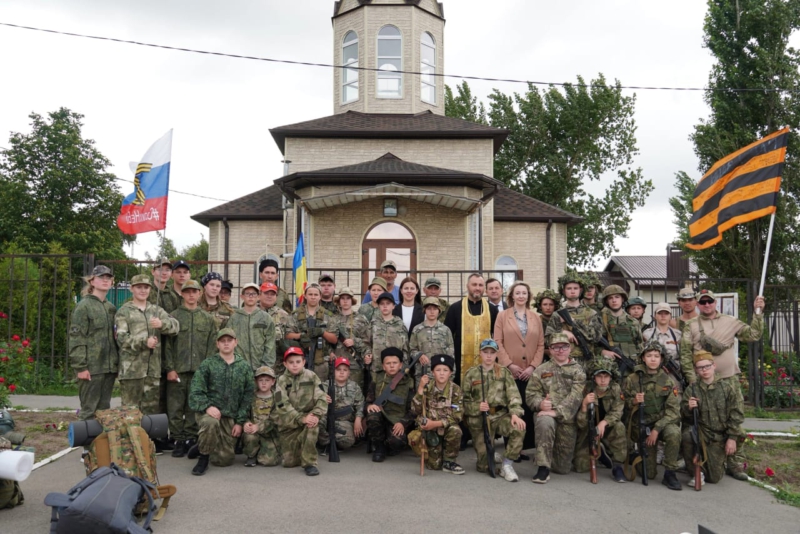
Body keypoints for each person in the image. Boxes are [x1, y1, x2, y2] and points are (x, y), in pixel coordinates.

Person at [679, 289, 764, 481]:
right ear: (698, 305)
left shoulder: (730, 321)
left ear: (715, 303)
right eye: (703, 302)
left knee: (734, 419)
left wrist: (758, 313)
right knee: (701, 421)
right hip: (701, 382)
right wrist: (692, 379)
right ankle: (697, 459)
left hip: (728, 379)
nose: (707, 305)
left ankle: (735, 463)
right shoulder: (691, 326)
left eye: (710, 301)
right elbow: (685, 353)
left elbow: (753, 335)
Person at [187, 328, 255, 476]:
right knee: (211, 423)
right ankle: (203, 458)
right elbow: (195, 391)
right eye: (222, 341)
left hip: (230, 416)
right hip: (210, 414)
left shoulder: (244, 366)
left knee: (224, 460)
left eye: (229, 341)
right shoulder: (208, 364)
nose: (226, 344)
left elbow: (248, 396)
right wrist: (207, 406)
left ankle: (200, 446)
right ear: (217, 344)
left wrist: (239, 421)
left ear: (235, 343)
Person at [165, 280, 219, 458]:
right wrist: (170, 368)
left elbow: (212, 346)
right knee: (175, 407)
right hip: (178, 370)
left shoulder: (207, 318)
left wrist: (207, 371)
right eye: (187, 291)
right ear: (182, 294)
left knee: (193, 406)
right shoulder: (173, 317)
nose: (190, 295)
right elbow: (167, 346)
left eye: (194, 292)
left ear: (199, 293)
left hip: (198, 371)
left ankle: (189, 438)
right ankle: (177, 439)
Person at [115, 274, 179, 418]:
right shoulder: (124, 311)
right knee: (130, 413)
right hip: (132, 371)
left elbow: (176, 326)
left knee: (150, 414)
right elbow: (121, 338)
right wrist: (144, 342)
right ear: (132, 289)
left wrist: (162, 324)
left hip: (152, 372)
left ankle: (147, 440)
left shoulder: (156, 310)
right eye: (139, 287)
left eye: (146, 287)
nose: (143, 290)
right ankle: (130, 440)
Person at [462, 339, 526, 482]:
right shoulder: (471, 374)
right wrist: (476, 406)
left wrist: (515, 414)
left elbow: (514, 395)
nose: (489, 356)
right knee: (483, 466)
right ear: (480, 353)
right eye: (485, 352)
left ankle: (507, 464)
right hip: (481, 418)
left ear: (497, 354)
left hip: (500, 415)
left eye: (492, 352)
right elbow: (463, 402)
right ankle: (489, 454)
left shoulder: (504, 373)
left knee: (519, 428)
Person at [526, 332, 585, 483]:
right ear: (550, 350)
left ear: (570, 348)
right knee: (545, 420)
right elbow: (530, 394)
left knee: (562, 469)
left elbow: (576, 397)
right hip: (546, 415)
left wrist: (556, 411)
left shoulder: (578, 371)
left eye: (564, 347)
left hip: (567, 419)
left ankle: (550, 455)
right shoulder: (541, 370)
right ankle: (543, 467)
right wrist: (540, 403)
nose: (560, 350)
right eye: (556, 347)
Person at [623, 340, 682, 490]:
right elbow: (621, 404)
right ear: (643, 358)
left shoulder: (667, 381)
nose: (653, 359)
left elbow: (673, 412)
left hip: (660, 424)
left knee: (674, 433)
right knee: (648, 474)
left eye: (657, 356)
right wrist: (633, 401)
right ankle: (637, 455)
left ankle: (670, 472)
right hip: (641, 426)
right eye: (649, 355)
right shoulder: (632, 379)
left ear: (661, 359)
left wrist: (656, 430)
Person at [680, 350, 745, 486]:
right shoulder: (692, 389)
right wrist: (689, 408)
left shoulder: (727, 388)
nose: (704, 370)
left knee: (714, 478)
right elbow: (683, 416)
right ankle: (695, 471)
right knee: (687, 435)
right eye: (700, 367)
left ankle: (721, 462)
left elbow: (737, 414)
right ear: (696, 370)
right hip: (702, 433)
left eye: (707, 366)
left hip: (721, 436)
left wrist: (732, 438)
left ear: (714, 366)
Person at [494, 280, 544, 454]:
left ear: (528, 296)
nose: (521, 296)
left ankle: (527, 446)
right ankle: (513, 446)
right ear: (512, 296)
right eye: (518, 293)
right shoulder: (502, 316)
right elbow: (497, 342)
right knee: (512, 406)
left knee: (528, 405)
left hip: (530, 371)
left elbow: (541, 345)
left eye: (524, 293)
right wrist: (509, 364)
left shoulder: (535, 317)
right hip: (510, 370)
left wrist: (533, 366)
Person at [69, 265, 119, 421]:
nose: (105, 280)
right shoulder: (84, 306)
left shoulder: (110, 308)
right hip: (91, 368)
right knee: (89, 411)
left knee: (104, 411)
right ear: (92, 281)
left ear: (112, 282)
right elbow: (77, 338)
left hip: (108, 368)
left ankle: (100, 445)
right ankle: (86, 445)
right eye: (101, 277)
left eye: (108, 278)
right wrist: (81, 367)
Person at [273, 346, 327, 476]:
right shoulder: (281, 381)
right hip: (290, 422)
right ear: (285, 364)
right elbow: (281, 404)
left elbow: (321, 397)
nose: (295, 365)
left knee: (312, 426)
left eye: (298, 362)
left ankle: (310, 463)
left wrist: (315, 415)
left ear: (303, 362)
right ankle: (300, 449)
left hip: (309, 416)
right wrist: (299, 418)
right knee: (288, 463)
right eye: (291, 362)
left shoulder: (312, 376)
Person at [573, 358, 627, 482]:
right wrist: (584, 405)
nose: (603, 380)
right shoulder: (586, 389)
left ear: (611, 377)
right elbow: (581, 424)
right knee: (580, 467)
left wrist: (604, 422)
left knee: (619, 426)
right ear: (593, 377)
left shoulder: (615, 388)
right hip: (588, 430)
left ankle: (617, 466)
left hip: (608, 428)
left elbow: (618, 412)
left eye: (606, 376)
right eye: (599, 376)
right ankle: (600, 452)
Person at [411, 354, 464, 474]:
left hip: (445, 427)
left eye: (445, 370)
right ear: (433, 372)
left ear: (450, 373)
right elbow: (415, 410)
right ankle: (434, 453)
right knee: (434, 466)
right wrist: (420, 389)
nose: (441, 373)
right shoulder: (426, 388)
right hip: (430, 431)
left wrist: (435, 424)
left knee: (456, 430)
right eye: (438, 370)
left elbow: (457, 415)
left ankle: (449, 461)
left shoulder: (455, 390)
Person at [444, 273, 498, 385]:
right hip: (460, 362)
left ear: (484, 288)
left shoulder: (492, 310)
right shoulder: (455, 308)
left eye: (480, 285)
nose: (477, 288)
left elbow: (497, 337)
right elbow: (447, 337)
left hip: (486, 361)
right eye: (474, 284)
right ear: (467, 286)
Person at [365, 347, 416, 462]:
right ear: (383, 366)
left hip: (397, 420)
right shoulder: (377, 378)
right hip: (380, 418)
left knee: (397, 442)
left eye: (395, 363)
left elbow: (413, 409)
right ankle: (379, 447)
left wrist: (403, 423)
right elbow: (368, 400)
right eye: (388, 363)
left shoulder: (408, 382)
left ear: (401, 365)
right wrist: (369, 406)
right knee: (373, 415)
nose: (392, 366)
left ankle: (388, 444)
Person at [546, 269, 602, 372]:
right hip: (562, 362)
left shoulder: (591, 313)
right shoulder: (557, 314)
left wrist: (574, 322)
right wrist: (562, 333)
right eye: (569, 288)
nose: (572, 291)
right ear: (564, 291)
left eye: (575, 288)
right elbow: (547, 338)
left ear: (580, 290)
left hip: (586, 362)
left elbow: (596, 337)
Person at [285, 283, 338, 381]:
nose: (313, 297)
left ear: (320, 296)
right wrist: (301, 336)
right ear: (305, 296)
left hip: (321, 362)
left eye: (316, 294)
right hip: (299, 360)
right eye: (310, 294)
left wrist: (322, 332)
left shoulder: (328, 315)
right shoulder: (296, 314)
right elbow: (288, 335)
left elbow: (334, 339)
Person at [318, 357, 365, 453]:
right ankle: (326, 443)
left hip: (345, 422)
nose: (341, 372)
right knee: (317, 423)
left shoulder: (354, 386)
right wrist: (321, 397)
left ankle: (333, 443)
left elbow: (360, 405)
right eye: (338, 369)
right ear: (333, 371)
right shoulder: (325, 385)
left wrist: (358, 419)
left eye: (345, 370)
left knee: (348, 440)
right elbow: (314, 398)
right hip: (327, 419)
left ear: (349, 373)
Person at [327, 287, 372, 387]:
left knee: (355, 392)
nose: (345, 301)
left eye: (348, 298)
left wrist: (355, 342)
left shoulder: (361, 319)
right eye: (342, 298)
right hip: (338, 364)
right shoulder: (333, 319)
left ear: (352, 301)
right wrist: (330, 353)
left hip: (355, 363)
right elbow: (328, 340)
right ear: (339, 301)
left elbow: (367, 342)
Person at [227, 283, 276, 370]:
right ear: (242, 296)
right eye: (247, 294)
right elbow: (228, 342)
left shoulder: (265, 318)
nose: (250, 296)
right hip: (238, 367)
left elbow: (270, 344)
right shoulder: (234, 318)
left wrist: (266, 367)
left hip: (260, 368)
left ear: (258, 296)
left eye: (253, 294)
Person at [597, 284, 643, 378]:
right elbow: (593, 344)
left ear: (622, 299)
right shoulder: (600, 321)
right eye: (610, 298)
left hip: (631, 369)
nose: (614, 300)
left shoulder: (633, 322)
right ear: (606, 301)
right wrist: (602, 352)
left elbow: (639, 346)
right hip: (608, 369)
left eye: (617, 297)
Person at [409, 297, 454, 389]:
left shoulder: (445, 330)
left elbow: (451, 354)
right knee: (422, 401)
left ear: (439, 311)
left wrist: (451, 374)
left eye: (435, 309)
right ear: (424, 310)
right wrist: (419, 355)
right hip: (423, 374)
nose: (432, 311)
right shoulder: (417, 329)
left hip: (441, 376)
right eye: (429, 309)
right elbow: (412, 349)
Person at [242, 365, 281, 467]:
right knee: (249, 436)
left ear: (273, 381)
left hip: (270, 433)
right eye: (261, 380)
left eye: (267, 380)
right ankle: (251, 455)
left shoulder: (278, 396)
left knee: (269, 462)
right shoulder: (250, 396)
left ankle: (263, 451)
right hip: (253, 432)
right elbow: (244, 413)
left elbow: (277, 418)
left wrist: (258, 427)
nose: (264, 383)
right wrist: (246, 423)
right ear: (256, 381)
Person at [643, 303, 683, 386]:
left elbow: (683, 356)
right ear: (655, 316)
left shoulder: (678, 335)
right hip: (653, 374)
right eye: (660, 313)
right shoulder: (647, 334)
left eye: (666, 313)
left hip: (673, 374)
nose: (663, 316)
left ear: (670, 316)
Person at [260, 282, 291, 377]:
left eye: (272, 294)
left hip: (278, 366)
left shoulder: (284, 315)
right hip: (256, 362)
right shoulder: (252, 313)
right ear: (259, 295)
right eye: (266, 293)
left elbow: (289, 337)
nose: (269, 296)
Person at [370, 292, 409, 364]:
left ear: (393, 306)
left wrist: (404, 366)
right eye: (382, 304)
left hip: (395, 368)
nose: (385, 306)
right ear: (378, 306)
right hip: (377, 368)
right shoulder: (373, 323)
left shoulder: (400, 324)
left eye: (388, 303)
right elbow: (367, 343)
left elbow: (405, 348)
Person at [534, 289, 561, 362]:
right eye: (545, 304)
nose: (548, 308)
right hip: (540, 359)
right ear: (540, 306)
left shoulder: (560, 321)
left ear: (555, 306)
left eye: (551, 304)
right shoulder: (535, 322)